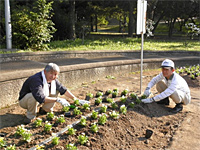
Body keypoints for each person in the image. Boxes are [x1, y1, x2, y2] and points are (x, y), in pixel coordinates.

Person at [19, 63, 89, 124]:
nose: (53, 76)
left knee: (56, 90)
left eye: (55, 74)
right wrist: (57, 99)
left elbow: (63, 90)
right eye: (51, 73)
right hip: (25, 101)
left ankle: (45, 109)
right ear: (45, 72)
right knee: (32, 96)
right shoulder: (36, 79)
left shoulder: (53, 80)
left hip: (39, 100)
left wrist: (76, 99)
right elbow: (39, 97)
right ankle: (30, 116)